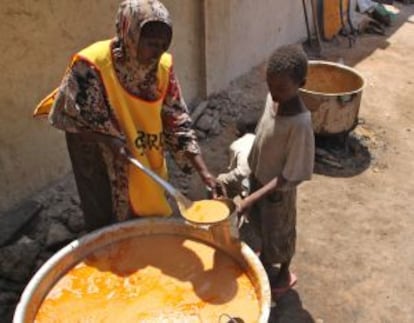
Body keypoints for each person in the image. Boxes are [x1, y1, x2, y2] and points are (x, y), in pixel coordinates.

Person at [34, 0, 221, 231]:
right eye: (151, 43)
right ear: (130, 33)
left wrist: (205, 173)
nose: (158, 51)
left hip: (139, 147)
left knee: (145, 203)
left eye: (164, 44)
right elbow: (68, 119)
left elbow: (177, 122)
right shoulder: (90, 66)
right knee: (105, 217)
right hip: (96, 151)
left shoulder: (162, 67)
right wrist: (107, 140)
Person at [236, 44, 315, 297]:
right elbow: (264, 133)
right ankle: (267, 257)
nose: (274, 92)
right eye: (270, 85)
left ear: (301, 83)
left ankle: (284, 271)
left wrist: (252, 197)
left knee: (281, 233)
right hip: (259, 178)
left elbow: (290, 175)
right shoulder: (273, 99)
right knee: (262, 226)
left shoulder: (300, 124)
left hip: (278, 192)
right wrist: (252, 183)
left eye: (281, 88)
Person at [217, 112, 258, 198]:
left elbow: (236, 171)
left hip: (247, 180)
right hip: (265, 178)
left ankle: (222, 202)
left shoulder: (236, 145)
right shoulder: (261, 139)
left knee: (219, 180)